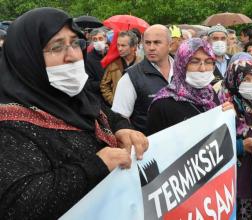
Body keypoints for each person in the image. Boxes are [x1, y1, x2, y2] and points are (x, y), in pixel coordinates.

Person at [0, 8, 148, 219]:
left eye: (75, 43)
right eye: (56, 47)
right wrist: (94, 168)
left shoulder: (75, 96)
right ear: (27, 57)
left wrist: (122, 128)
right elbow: (17, 203)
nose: (72, 55)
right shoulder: (9, 125)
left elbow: (102, 113)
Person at [147, 38, 233, 135]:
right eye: (195, 62)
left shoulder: (211, 94)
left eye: (208, 62)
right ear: (181, 64)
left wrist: (227, 115)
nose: (203, 69)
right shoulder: (163, 104)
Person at [224, 52, 252, 219]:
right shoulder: (225, 104)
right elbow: (217, 145)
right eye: (245, 79)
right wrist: (242, 146)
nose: (251, 84)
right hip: (237, 181)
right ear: (235, 79)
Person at [111, 24, 174, 135]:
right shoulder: (131, 77)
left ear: (170, 45)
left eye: (157, 42)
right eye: (147, 43)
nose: (151, 47)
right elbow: (119, 119)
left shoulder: (182, 71)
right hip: (149, 147)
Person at [100, 30, 142, 106]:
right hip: (117, 110)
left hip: (138, 110)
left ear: (133, 47)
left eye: (123, 45)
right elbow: (104, 86)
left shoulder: (142, 64)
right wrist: (113, 101)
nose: (119, 48)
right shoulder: (113, 64)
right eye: (118, 45)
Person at [85, 28, 109, 94]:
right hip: (98, 96)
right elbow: (88, 84)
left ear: (105, 39)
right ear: (92, 42)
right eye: (95, 39)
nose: (98, 42)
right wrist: (105, 83)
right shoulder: (88, 59)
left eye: (100, 39)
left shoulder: (110, 55)